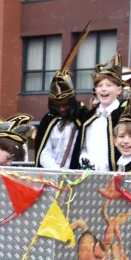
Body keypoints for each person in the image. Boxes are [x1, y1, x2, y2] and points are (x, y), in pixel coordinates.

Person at [35, 30, 96, 170]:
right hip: (51, 174)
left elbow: (87, 147)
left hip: (76, 174)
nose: (62, 109)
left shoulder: (83, 118)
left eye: (65, 105)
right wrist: (56, 171)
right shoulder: (48, 121)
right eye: (57, 106)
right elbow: (44, 152)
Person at [79, 53, 127, 172]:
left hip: (117, 175)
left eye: (109, 85)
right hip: (89, 175)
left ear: (119, 90)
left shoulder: (126, 115)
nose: (104, 89)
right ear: (95, 90)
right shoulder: (89, 117)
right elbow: (84, 146)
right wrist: (84, 160)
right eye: (100, 86)